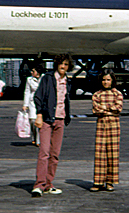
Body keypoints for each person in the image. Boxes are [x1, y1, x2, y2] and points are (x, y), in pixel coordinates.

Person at [31, 54, 73, 198]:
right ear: (57, 64)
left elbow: (65, 100)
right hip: (47, 119)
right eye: (61, 64)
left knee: (54, 155)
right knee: (44, 152)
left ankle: (49, 184)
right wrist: (39, 114)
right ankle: (39, 185)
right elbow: (38, 97)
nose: (63, 67)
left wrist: (67, 116)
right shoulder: (48, 78)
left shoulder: (67, 81)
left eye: (66, 65)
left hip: (60, 120)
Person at [90, 69, 123, 192]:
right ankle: (98, 181)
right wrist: (109, 110)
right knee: (100, 152)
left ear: (112, 81)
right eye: (104, 79)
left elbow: (118, 108)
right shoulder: (96, 94)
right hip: (101, 124)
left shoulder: (117, 94)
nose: (106, 82)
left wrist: (105, 107)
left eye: (108, 79)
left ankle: (110, 181)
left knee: (113, 153)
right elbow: (95, 110)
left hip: (114, 125)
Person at [22, 65, 45, 146]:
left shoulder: (44, 78)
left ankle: (39, 140)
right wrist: (25, 104)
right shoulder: (29, 79)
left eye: (33, 71)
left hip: (42, 101)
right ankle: (34, 136)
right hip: (32, 101)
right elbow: (27, 91)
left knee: (40, 122)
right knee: (32, 120)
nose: (31, 72)